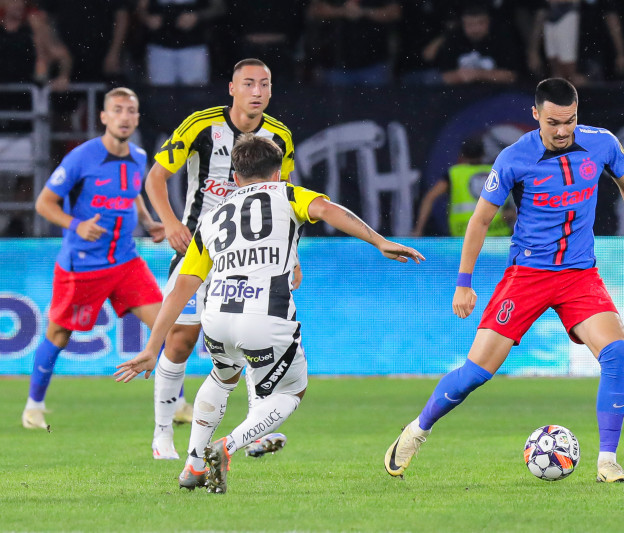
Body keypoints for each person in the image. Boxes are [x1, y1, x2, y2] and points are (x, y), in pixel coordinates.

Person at [384, 78, 624, 483]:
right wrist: (463, 282)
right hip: (528, 276)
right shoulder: (514, 158)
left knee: (616, 352)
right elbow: (481, 219)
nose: (562, 130)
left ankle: (608, 460)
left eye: (569, 121)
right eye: (553, 122)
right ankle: (416, 431)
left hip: (579, 276)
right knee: (476, 372)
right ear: (536, 115)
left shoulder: (602, 143)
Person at [115, 134, 425, 493]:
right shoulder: (288, 194)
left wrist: (153, 347)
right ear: (278, 172)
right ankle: (226, 447)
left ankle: (193, 464)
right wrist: (379, 240)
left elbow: (182, 287)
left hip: (217, 315)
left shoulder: (213, 216)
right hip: (265, 314)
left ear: (235, 175)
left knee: (222, 375)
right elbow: (328, 210)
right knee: (293, 390)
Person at [144, 58, 297, 461]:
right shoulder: (201, 124)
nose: (258, 92)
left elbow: (286, 199)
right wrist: (171, 222)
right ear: (232, 88)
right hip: (200, 247)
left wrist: (292, 255)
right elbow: (155, 177)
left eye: (265, 84)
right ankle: (162, 435)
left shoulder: (280, 136)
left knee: (250, 338)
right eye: (249, 84)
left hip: (251, 257)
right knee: (181, 339)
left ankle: (255, 428)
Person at [21, 87, 165, 430]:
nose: (125, 117)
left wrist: (147, 221)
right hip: (83, 266)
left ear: (137, 117)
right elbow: (44, 204)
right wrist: (76, 225)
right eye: (117, 110)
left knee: (167, 327)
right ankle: (33, 407)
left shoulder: (140, 157)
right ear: (103, 117)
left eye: (131, 111)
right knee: (58, 336)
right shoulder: (80, 158)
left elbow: (133, 193)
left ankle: (174, 404)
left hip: (127, 262)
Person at [412, 137, 514, 237]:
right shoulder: (496, 172)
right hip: (497, 237)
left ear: (462, 155)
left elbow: (430, 197)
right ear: (483, 154)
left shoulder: (455, 173)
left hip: (464, 237)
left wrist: (419, 229)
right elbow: (520, 196)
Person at [436, 4, 522, 86]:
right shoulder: (454, 39)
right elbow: (443, 77)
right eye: (470, 24)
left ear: (488, 22)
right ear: (463, 24)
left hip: (497, 94)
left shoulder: (501, 39)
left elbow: (511, 76)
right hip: (459, 95)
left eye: (480, 23)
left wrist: (478, 74)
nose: (475, 29)